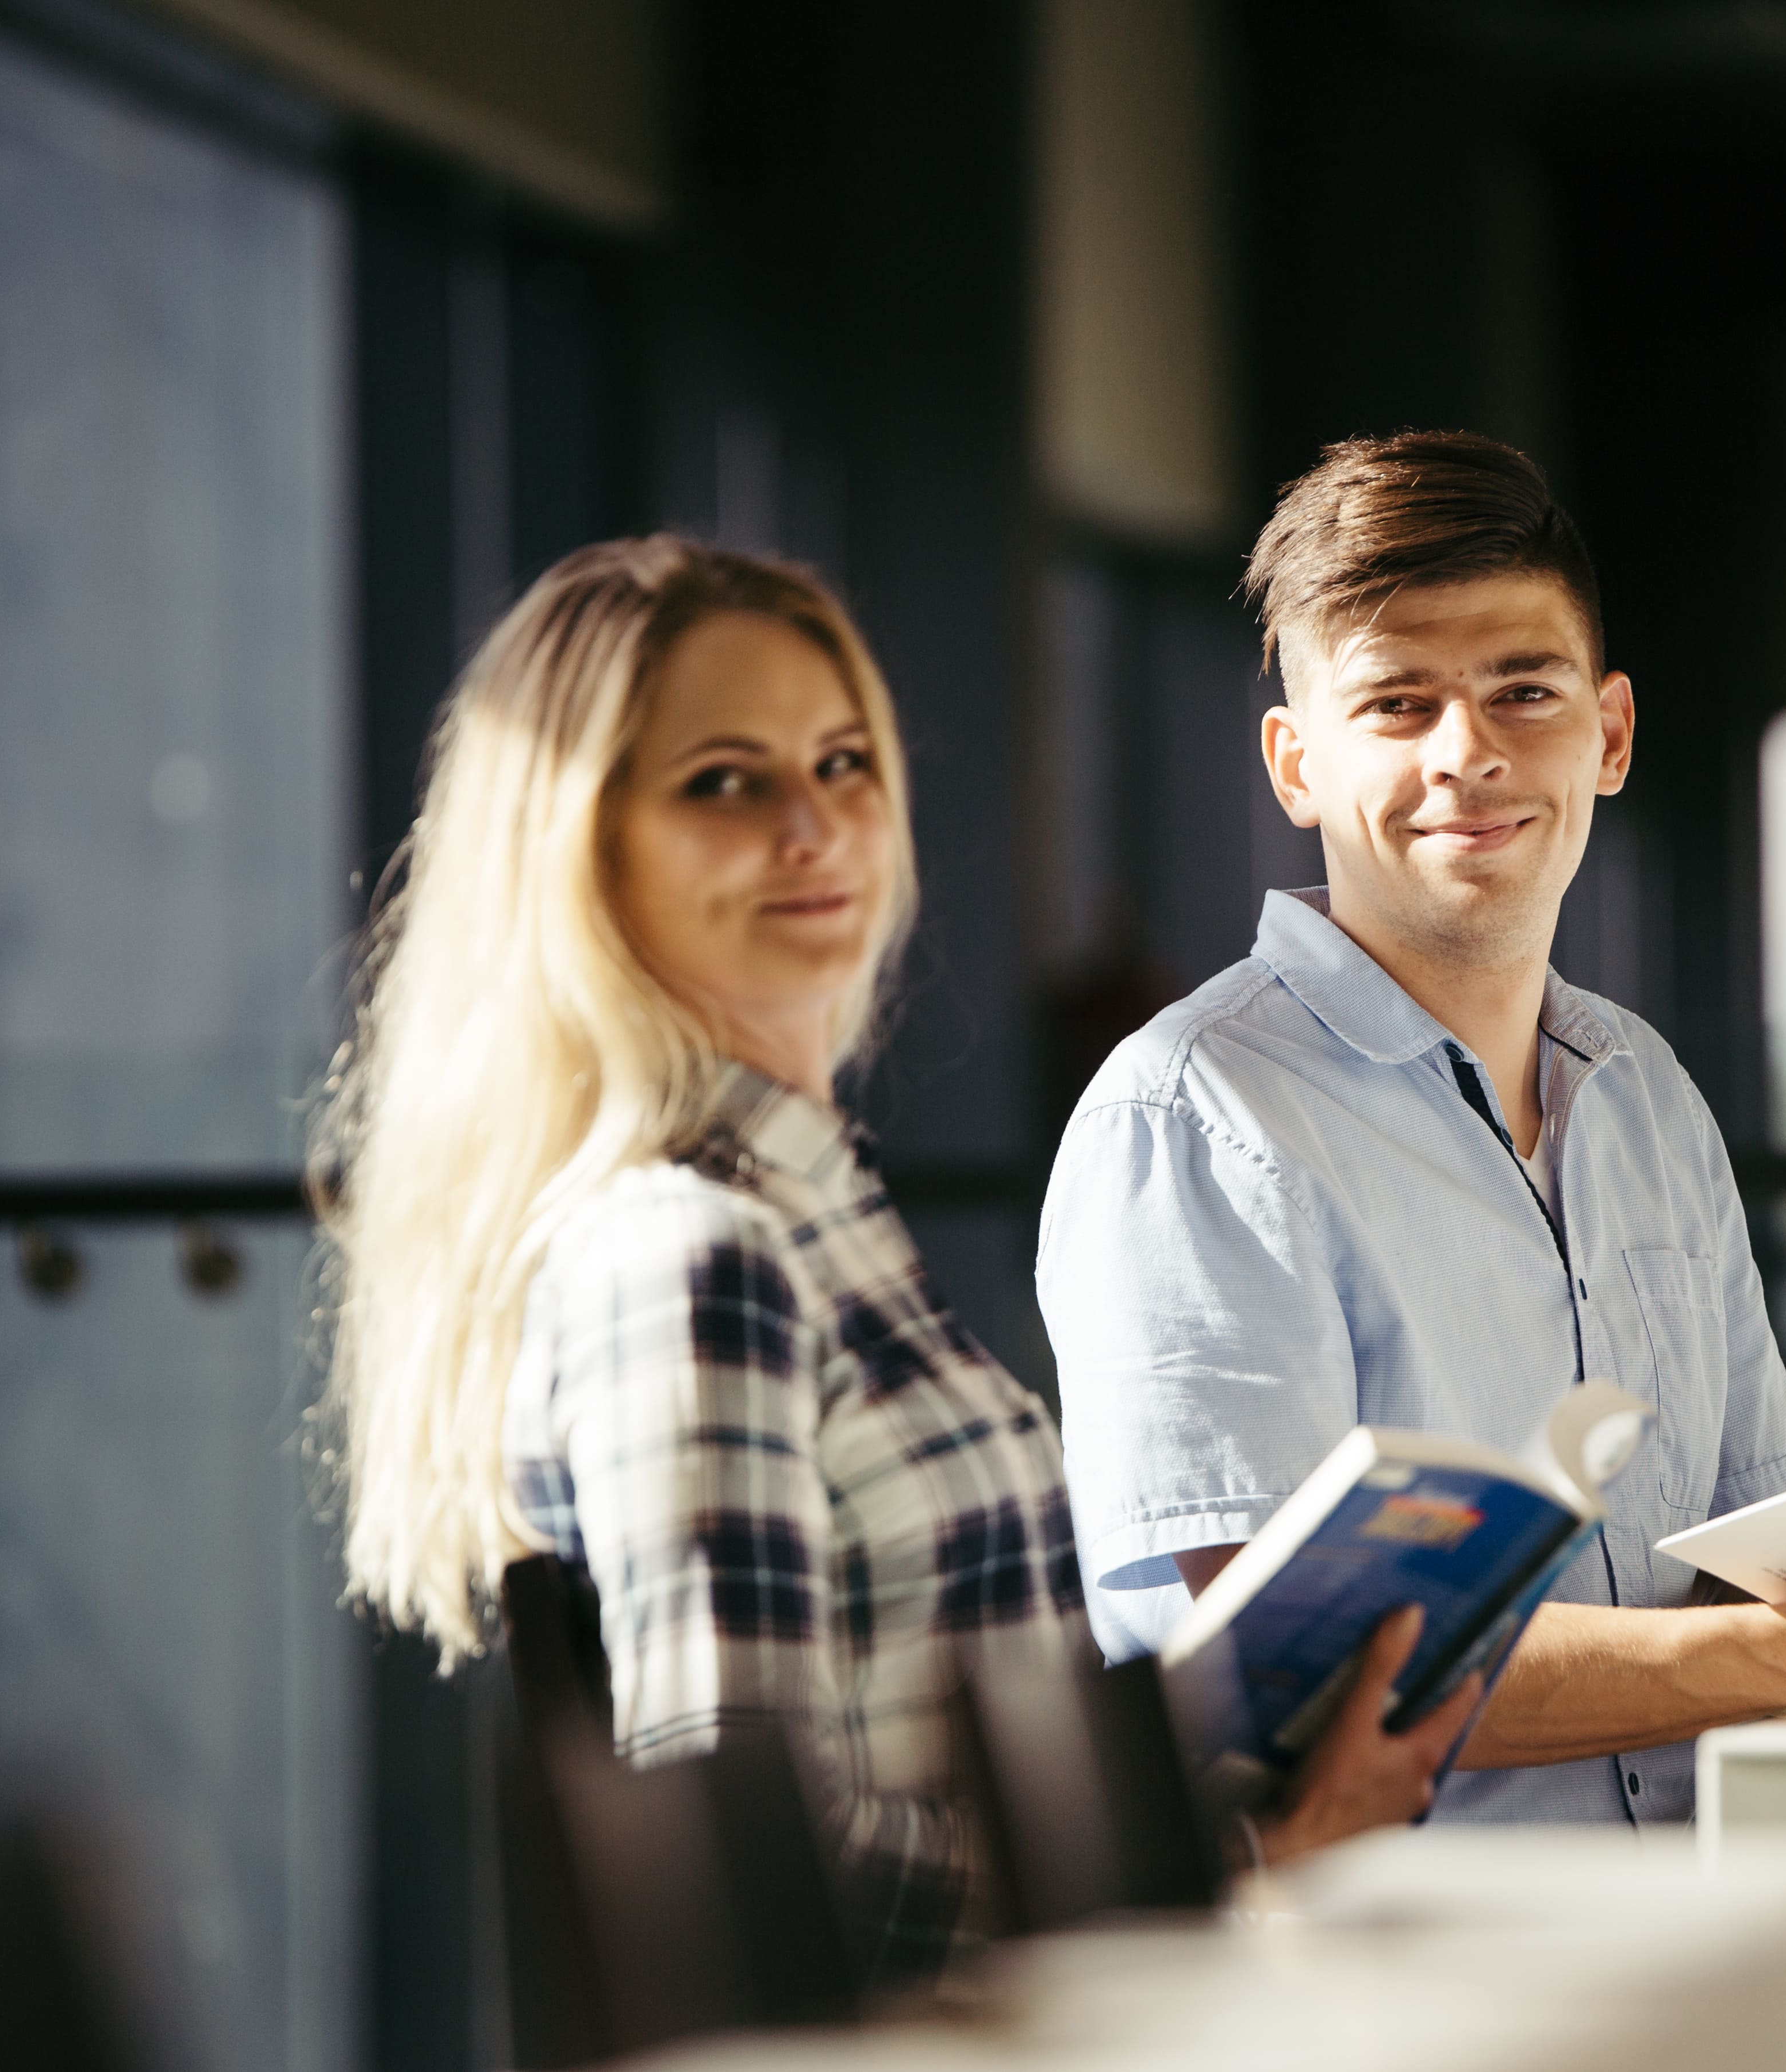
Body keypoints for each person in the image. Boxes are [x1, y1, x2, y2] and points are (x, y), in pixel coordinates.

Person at [312, 536, 1476, 1982]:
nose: (814, 826)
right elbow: (747, 1854)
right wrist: (1233, 1868)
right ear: (580, 849)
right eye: (722, 782)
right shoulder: (694, 1252)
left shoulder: (809, 1210)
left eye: (844, 763)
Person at [1036, 432, 1786, 1827]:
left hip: (1705, 1920)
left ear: (1611, 735)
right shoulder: (1194, 1119)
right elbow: (1296, 1677)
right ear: (1295, 764)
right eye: (1397, 703)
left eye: (1521, 691)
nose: (1465, 753)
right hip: (1394, 1990)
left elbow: (1766, 1554)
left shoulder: (1641, 1094)